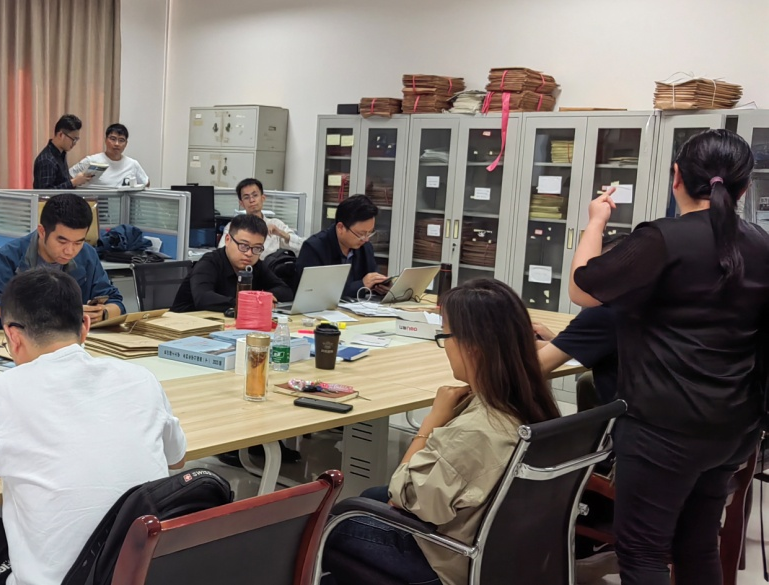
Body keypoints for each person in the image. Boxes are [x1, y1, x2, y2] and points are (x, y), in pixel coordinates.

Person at [0, 268, 187, 585]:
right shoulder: (141, 379)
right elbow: (176, 459)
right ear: (85, 326)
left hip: (71, 579)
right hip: (143, 572)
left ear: (12, 335)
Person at [569, 129, 769, 585]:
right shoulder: (761, 243)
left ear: (676, 176)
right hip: (734, 426)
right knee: (697, 544)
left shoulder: (662, 238)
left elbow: (584, 289)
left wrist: (596, 221)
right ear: (743, 188)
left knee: (642, 553)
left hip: (663, 429)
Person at [325, 278, 561, 585]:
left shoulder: (476, 430)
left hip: (453, 560)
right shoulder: (530, 400)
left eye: (445, 335)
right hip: (512, 554)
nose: (445, 345)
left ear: (472, 346)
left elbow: (401, 496)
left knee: (332, 523)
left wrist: (431, 422)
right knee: (370, 496)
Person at [0, 193, 124, 324]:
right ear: (42, 232)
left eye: (78, 242)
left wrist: (103, 313)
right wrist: (57, 317)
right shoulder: (10, 257)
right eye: (62, 241)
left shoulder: (87, 254)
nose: (69, 251)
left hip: (75, 341)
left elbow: (115, 301)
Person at [533, 233, 628, 411]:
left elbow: (532, 369)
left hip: (629, 418)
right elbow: (599, 348)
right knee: (586, 382)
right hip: (660, 409)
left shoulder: (603, 315)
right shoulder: (644, 304)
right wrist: (558, 342)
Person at [172, 213, 293, 312]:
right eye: (244, 245)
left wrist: (263, 297)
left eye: (257, 248)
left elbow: (285, 291)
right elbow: (203, 298)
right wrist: (246, 302)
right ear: (227, 240)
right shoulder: (209, 262)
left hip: (227, 325)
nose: (249, 253)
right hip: (185, 326)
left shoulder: (255, 265)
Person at [296, 194, 386, 300]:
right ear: (340, 228)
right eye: (361, 234)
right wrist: (361, 285)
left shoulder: (365, 247)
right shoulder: (314, 248)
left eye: (370, 233)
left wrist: (381, 286)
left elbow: (372, 278)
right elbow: (312, 293)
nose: (366, 239)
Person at [217, 178, 303, 259]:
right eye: (246, 197)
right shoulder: (234, 226)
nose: (252, 200)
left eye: (255, 195)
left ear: (263, 198)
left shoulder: (276, 224)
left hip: (269, 268)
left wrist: (280, 233)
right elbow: (222, 253)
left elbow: (302, 248)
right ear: (241, 203)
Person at [68, 123, 150, 188]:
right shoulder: (91, 160)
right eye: (113, 139)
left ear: (126, 144)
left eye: (121, 140)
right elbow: (68, 177)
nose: (117, 144)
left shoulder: (133, 164)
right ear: (105, 140)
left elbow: (146, 183)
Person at [33, 114, 92, 190]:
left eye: (77, 140)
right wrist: (73, 182)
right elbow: (45, 193)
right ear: (61, 135)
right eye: (73, 139)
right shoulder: (47, 159)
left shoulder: (61, 154)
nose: (74, 143)